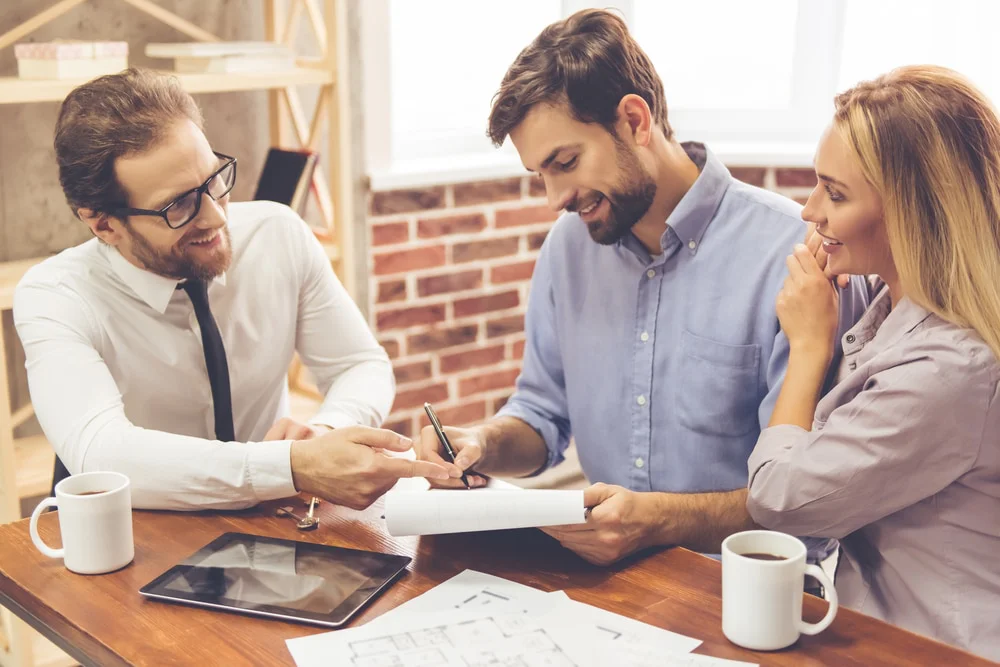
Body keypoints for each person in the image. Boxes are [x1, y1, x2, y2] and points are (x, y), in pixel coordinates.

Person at [415, 9, 867, 565]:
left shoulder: (800, 259)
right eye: (541, 175)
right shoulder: (568, 248)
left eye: (565, 162)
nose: (554, 198)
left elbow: (808, 503)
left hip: (750, 591)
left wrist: (653, 524)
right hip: (610, 590)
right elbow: (542, 414)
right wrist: (482, 444)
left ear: (634, 120)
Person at [14, 68, 448, 512]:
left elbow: (359, 363)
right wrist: (289, 466)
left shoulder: (278, 233)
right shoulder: (55, 296)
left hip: (276, 522)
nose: (218, 218)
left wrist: (324, 434)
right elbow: (101, 453)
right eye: (177, 205)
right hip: (141, 537)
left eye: (214, 180)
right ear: (104, 223)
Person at [746, 65, 1000, 659]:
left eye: (835, 194)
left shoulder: (951, 368)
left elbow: (778, 500)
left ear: (915, 211)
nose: (810, 212)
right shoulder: (893, 308)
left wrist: (808, 346)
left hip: (941, 648)